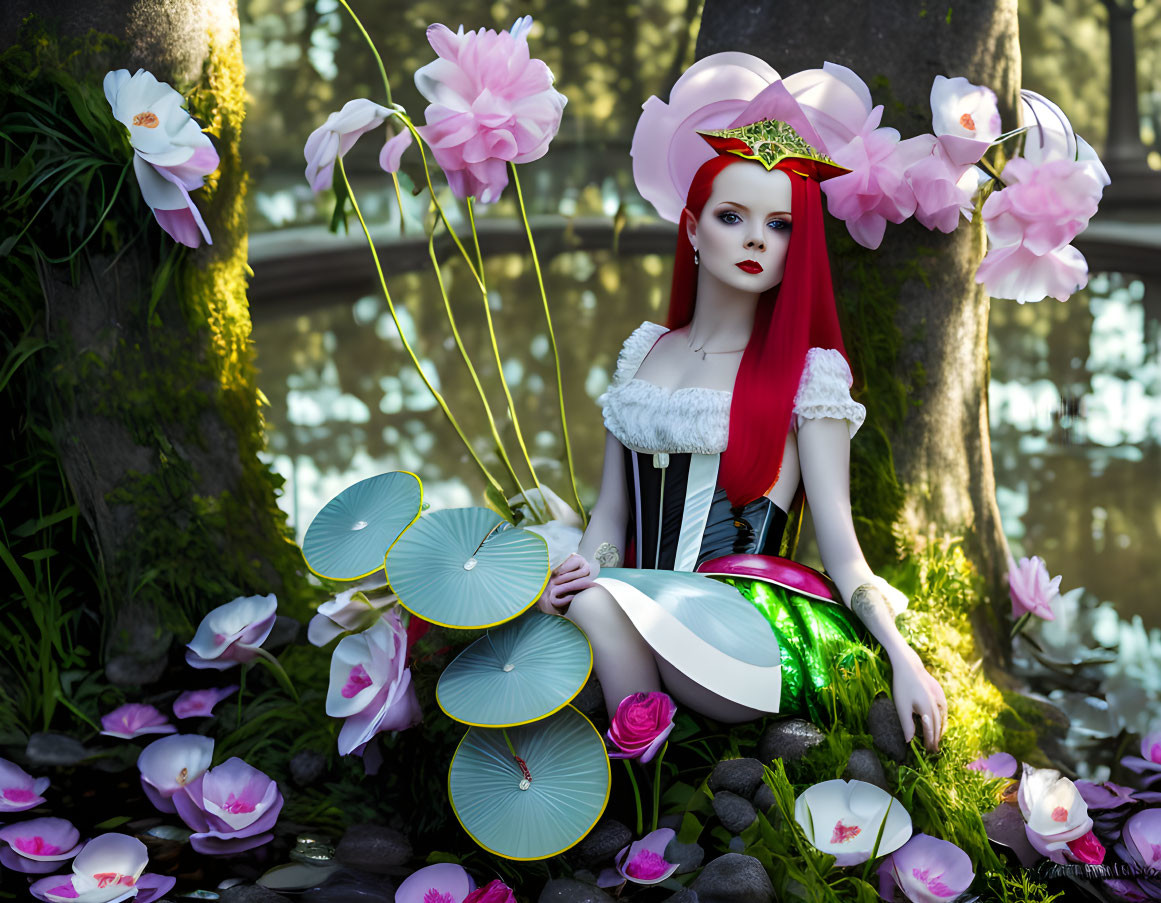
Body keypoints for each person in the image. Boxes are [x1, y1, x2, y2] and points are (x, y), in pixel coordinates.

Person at [536, 116, 948, 752]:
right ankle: (649, 786)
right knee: (577, 594)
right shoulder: (645, 353)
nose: (757, 238)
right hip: (637, 607)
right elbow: (610, 519)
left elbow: (842, 550)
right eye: (733, 217)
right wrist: (577, 575)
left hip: (743, 631)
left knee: (599, 603)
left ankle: (643, 781)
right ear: (694, 230)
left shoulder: (810, 377)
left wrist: (902, 656)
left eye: (779, 225)